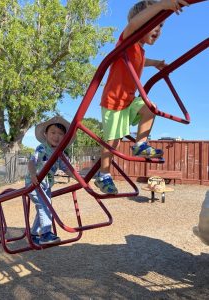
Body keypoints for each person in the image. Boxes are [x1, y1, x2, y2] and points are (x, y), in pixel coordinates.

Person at [96, 0, 189, 194]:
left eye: (161, 25)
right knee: (113, 141)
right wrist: (161, 6)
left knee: (150, 107)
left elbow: (141, 60)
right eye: (154, 24)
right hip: (114, 101)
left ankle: (140, 144)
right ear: (141, 22)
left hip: (129, 100)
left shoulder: (138, 49)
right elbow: (133, 25)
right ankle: (103, 174)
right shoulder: (127, 38)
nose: (158, 30)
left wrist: (155, 62)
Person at [25, 116, 73, 246]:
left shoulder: (60, 153)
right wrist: (33, 173)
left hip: (46, 185)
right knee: (44, 206)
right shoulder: (42, 148)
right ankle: (45, 233)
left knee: (44, 207)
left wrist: (78, 177)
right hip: (34, 183)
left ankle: (34, 233)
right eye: (53, 133)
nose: (56, 136)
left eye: (60, 134)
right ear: (46, 134)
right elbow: (32, 162)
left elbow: (66, 168)